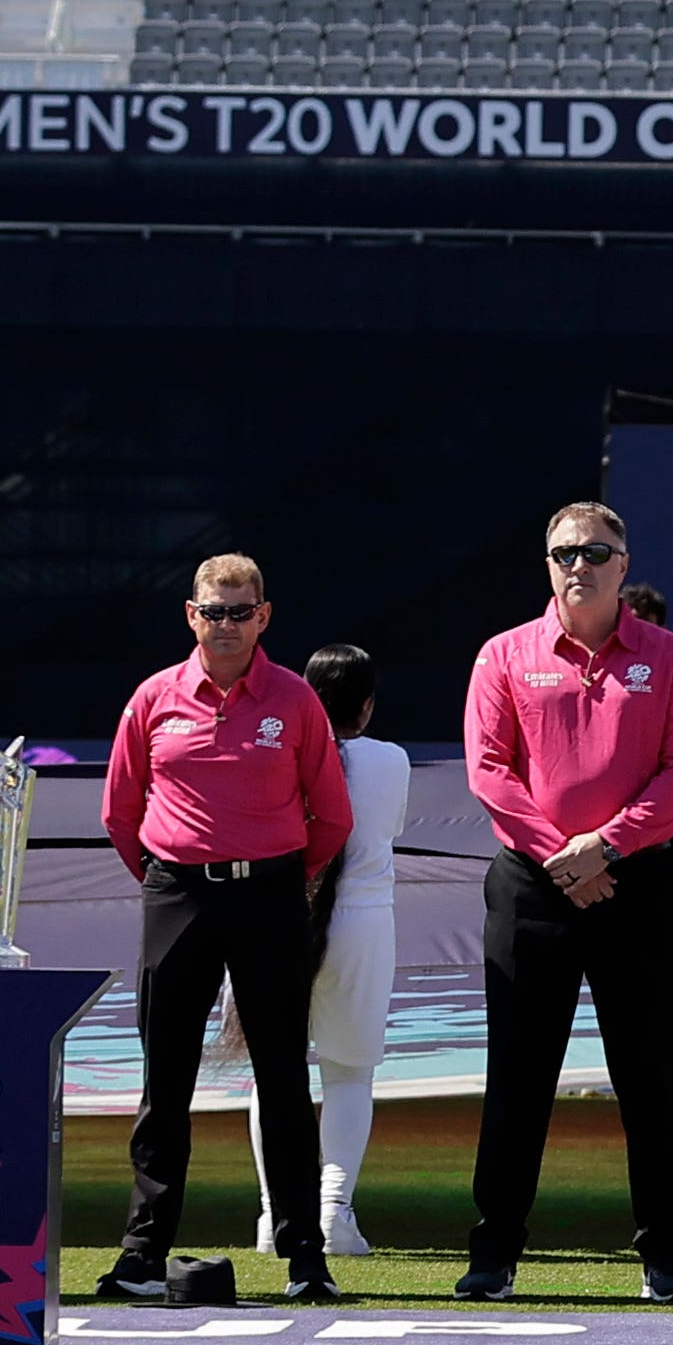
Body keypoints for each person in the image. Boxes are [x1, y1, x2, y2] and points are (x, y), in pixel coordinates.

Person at [457, 503, 673, 1303]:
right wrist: (564, 857)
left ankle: (665, 1255)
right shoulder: (505, 655)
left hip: (634, 884)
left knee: (647, 1075)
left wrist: (606, 847)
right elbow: (490, 772)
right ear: (547, 565)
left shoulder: (671, 658)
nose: (580, 564)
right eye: (565, 552)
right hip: (534, 887)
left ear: (623, 564)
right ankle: (494, 1253)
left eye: (597, 551)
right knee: (519, 1077)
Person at [98, 551, 353, 1303]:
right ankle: (143, 1255)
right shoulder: (153, 698)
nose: (228, 624)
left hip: (270, 895)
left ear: (264, 616)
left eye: (242, 611)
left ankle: (305, 1256)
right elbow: (121, 812)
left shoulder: (296, 700)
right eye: (215, 611)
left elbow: (331, 815)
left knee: (281, 1078)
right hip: (177, 895)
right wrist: (166, 878)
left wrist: (279, 881)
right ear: (191, 615)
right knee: (163, 1081)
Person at [269, 642, 403, 1265]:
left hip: (276, 918)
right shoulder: (392, 761)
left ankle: (277, 1214)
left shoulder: (281, 750)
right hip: (361, 926)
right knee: (349, 1072)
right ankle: (330, 1212)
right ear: (367, 706)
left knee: (275, 1068)